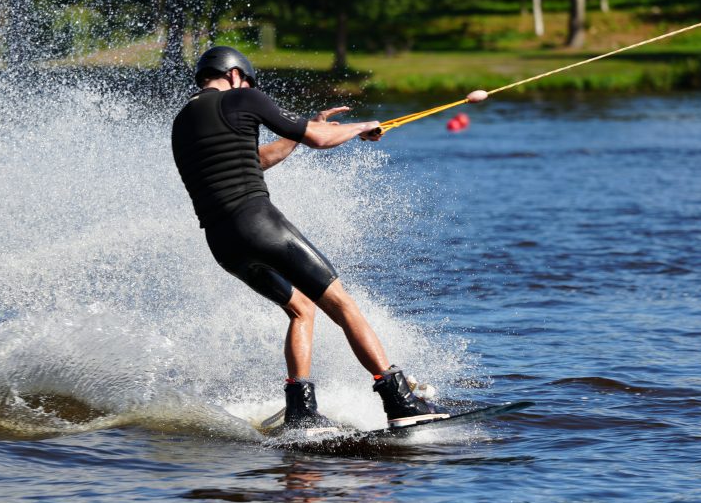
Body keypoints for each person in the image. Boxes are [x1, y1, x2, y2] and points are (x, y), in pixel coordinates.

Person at [171, 46, 487, 430]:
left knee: (301, 307)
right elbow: (320, 140)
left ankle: (301, 411)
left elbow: (253, 160)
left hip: (224, 244)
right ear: (237, 75)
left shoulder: (183, 121)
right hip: (259, 224)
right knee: (343, 304)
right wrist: (359, 127)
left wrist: (311, 127)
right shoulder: (242, 96)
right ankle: (398, 401)